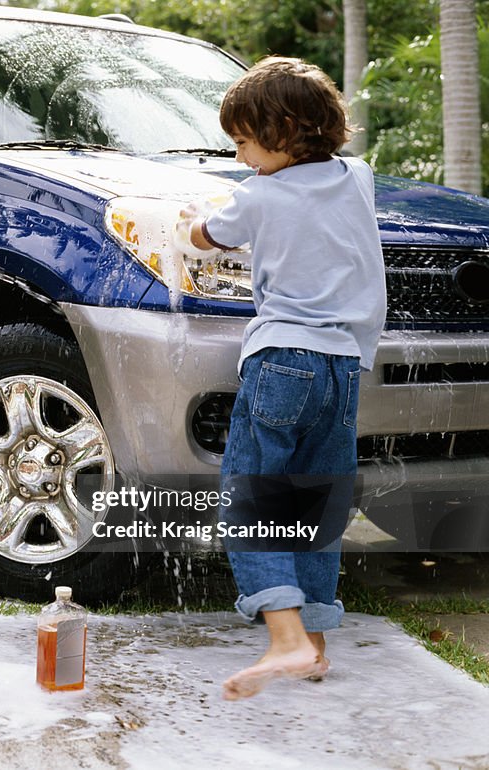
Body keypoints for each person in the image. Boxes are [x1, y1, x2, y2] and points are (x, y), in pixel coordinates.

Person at [175, 57, 387, 700]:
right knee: (317, 503)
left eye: (243, 143)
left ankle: (286, 637)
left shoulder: (258, 196)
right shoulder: (358, 177)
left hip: (282, 364)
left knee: (256, 498)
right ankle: (315, 646)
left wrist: (191, 222)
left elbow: (206, 236)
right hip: (342, 369)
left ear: (287, 130)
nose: (241, 159)